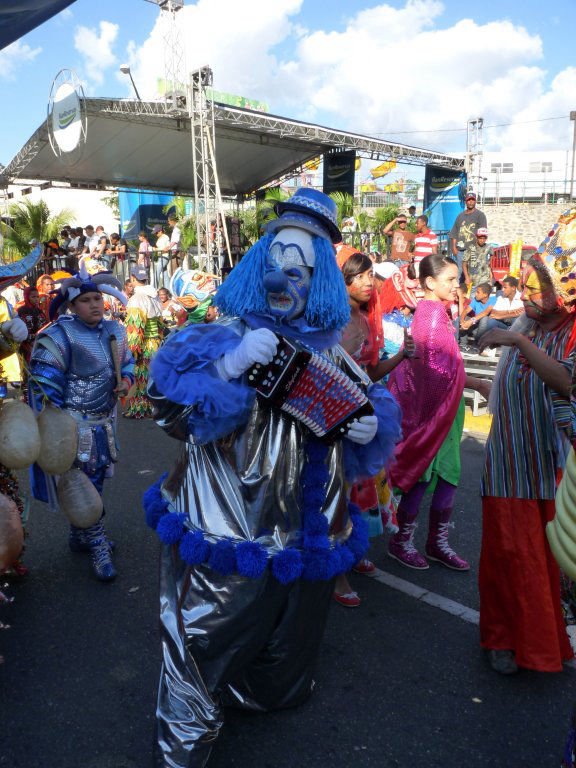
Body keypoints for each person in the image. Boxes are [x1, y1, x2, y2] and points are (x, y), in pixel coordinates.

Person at [145, 188, 401, 767]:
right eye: (281, 259)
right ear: (261, 262)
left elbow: (369, 408)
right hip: (233, 524)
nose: (290, 276)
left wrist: (367, 426)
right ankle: (183, 738)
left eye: (306, 268)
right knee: (206, 631)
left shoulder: (330, 353)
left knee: (291, 639)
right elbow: (165, 404)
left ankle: (257, 694)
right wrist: (228, 367)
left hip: (312, 531)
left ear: (323, 283)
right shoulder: (222, 336)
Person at [477, 210, 576, 674]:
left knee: (540, 561)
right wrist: (481, 388)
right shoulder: (528, 325)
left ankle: (537, 646)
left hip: (549, 468)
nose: (532, 294)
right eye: (530, 286)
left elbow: (564, 382)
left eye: (542, 286)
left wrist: (519, 347)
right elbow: (509, 388)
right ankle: (500, 637)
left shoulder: (566, 333)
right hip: (506, 462)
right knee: (504, 554)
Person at [386, 254, 490, 571]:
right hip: (435, 412)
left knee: (448, 476)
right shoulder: (431, 317)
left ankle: (435, 542)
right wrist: (475, 382)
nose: (455, 285)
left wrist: (467, 382)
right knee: (422, 475)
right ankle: (402, 541)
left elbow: (446, 369)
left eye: (456, 279)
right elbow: (434, 375)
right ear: (430, 282)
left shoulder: (438, 313)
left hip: (447, 409)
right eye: (449, 280)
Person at [29, 270, 133, 581]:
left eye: (98, 298)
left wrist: (125, 381)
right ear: (72, 306)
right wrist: (56, 423)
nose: (95, 304)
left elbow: (126, 363)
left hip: (103, 424)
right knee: (85, 484)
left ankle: (80, 534)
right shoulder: (61, 334)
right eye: (86, 300)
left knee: (95, 481)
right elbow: (44, 382)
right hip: (75, 428)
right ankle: (98, 542)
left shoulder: (116, 331)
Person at [332, 245, 412, 607]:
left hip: (364, 411)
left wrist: (401, 355)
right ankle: (336, 573)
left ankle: (352, 550)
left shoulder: (365, 320)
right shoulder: (330, 319)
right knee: (336, 492)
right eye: (360, 276)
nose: (368, 283)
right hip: (334, 415)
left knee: (360, 491)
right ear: (343, 281)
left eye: (369, 276)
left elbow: (371, 372)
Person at [123, 266, 164, 419]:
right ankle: (152, 406)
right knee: (151, 376)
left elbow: (136, 328)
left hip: (144, 343)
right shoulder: (154, 295)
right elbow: (160, 323)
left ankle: (140, 408)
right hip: (155, 342)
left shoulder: (136, 299)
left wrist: (133, 350)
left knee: (140, 375)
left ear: (133, 278)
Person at [450, 191, 487, 276]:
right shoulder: (460, 216)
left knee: (473, 273)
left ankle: (472, 290)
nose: (470, 202)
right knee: (460, 273)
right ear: (465, 201)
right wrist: (454, 247)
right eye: (469, 200)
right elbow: (454, 232)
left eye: (472, 200)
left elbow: (483, 233)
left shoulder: (480, 215)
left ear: (475, 201)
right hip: (461, 250)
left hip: (473, 250)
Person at [16, 287, 45, 363]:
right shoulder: (21, 311)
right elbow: (19, 330)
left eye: (38, 297)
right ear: (26, 297)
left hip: (39, 344)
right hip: (25, 346)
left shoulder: (39, 311)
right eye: (33, 297)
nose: (36, 299)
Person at [462, 227, 493, 293]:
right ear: (476, 237)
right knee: (473, 297)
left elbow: (492, 257)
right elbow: (464, 263)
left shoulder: (489, 247)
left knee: (484, 297)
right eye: (480, 238)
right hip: (473, 279)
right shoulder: (471, 247)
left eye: (484, 238)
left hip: (485, 279)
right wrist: (467, 277)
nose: (482, 240)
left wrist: (488, 267)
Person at [152, 224, 170, 288]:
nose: (155, 234)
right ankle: (168, 290)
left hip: (164, 257)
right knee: (165, 274)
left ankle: (153, 288)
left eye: (156, 233)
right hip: (161, 257)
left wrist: (155, 249)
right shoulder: (161, 238)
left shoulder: (165, 237)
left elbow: (166, 248)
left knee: (157, 272)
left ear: (160, 231)